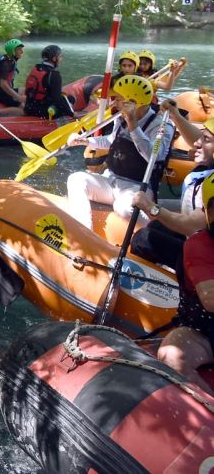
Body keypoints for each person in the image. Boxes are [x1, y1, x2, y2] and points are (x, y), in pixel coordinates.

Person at [66, 75, 175, 229]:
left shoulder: (162, 126)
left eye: (117, 98)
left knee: (123, 208)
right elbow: (112, 140)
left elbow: (153, 157)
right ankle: (84, 231)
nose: (114, 102)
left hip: (137, 188)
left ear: (133, 102)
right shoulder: (120, 117)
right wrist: (85, 141)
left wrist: (132, 124)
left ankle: (156, 229)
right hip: (111, 181)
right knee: (76, 179)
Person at [130, 114, 214, 269]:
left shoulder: (211, 184)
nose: (196, 143)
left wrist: (151, 208)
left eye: (206, 140)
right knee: (156, 227)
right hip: (202, 240)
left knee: (142, 239)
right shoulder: (206, 170)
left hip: (207, 260)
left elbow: (193, 225)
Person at [156, 171, 214, 395]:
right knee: (172, 355)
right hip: (203, 332)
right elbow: (209, 300)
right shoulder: (199, 245)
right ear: (208, 212)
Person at [23, 44, 71, 119]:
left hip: (29, 109)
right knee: (70, 99)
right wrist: (71, 114)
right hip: (42, 112)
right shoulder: (54, 75)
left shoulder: (35, 69)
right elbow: (57, 99)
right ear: (54, 59)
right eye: (60, 56)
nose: (61, 59)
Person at [0, 39, 25, 112]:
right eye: (19, 49)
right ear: (13, 51)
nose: (22, 52)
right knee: (24, 107)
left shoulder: (7, 59)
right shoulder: (6, 63)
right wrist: (18, 97)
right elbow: (3, 85)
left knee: (27, 90)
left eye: (21, 49)